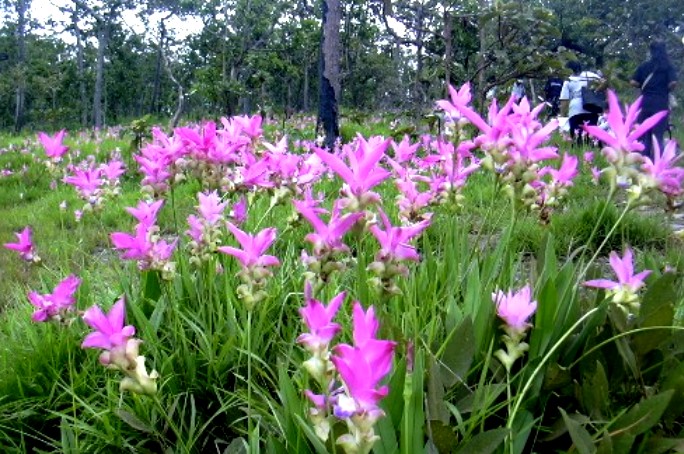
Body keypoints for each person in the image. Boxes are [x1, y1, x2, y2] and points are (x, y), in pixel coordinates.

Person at [630, 41, 678, 158]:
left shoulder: (644, 66)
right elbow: (673, 83)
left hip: (645, 102)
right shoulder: (668, 66)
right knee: (658, 136)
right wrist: (665, 87)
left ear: (651, 51)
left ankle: (643, 161)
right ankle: (657, 164)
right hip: (660, 103)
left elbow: (633, 81)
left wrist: (643, 86)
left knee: (644, 134)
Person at [559, 61, 605, 146]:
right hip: (590, 107)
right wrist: (596, 91)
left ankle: (579, 152)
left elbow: (564, 99)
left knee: (577, 135)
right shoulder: (590, 75)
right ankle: (592, 151)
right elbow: (604, 82)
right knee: (592, 133)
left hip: (575, 110)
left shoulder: (568, 80)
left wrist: (562, 115)